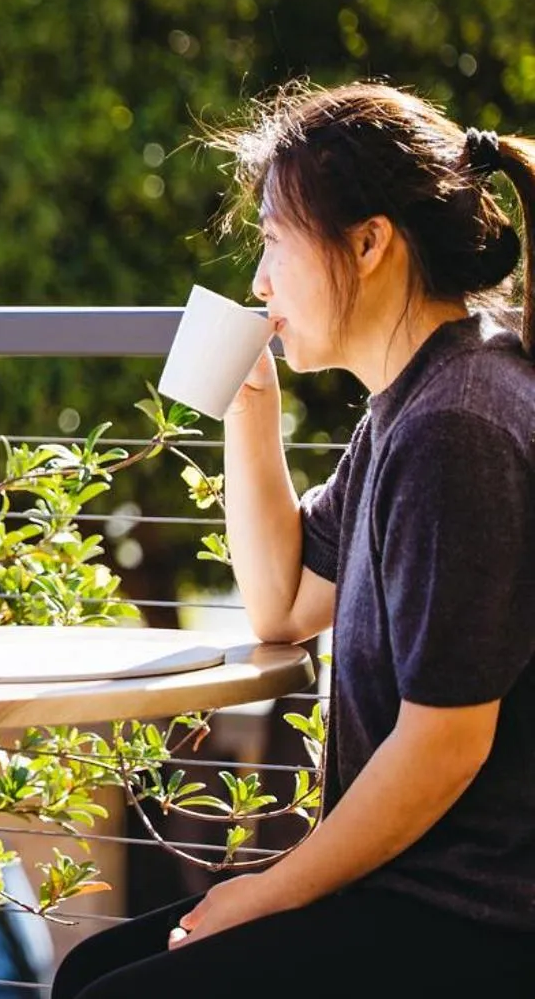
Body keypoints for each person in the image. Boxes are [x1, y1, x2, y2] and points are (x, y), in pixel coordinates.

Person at [54, 83, 535, 996]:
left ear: (369, 241)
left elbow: (447, 743)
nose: (260, 282)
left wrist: (272, 891)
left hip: (472, 920)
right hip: (412, 892)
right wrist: (250, 404)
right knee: (94, 968)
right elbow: (284, 603)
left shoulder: (457, 425)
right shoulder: (417, 399)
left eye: (274, 240)